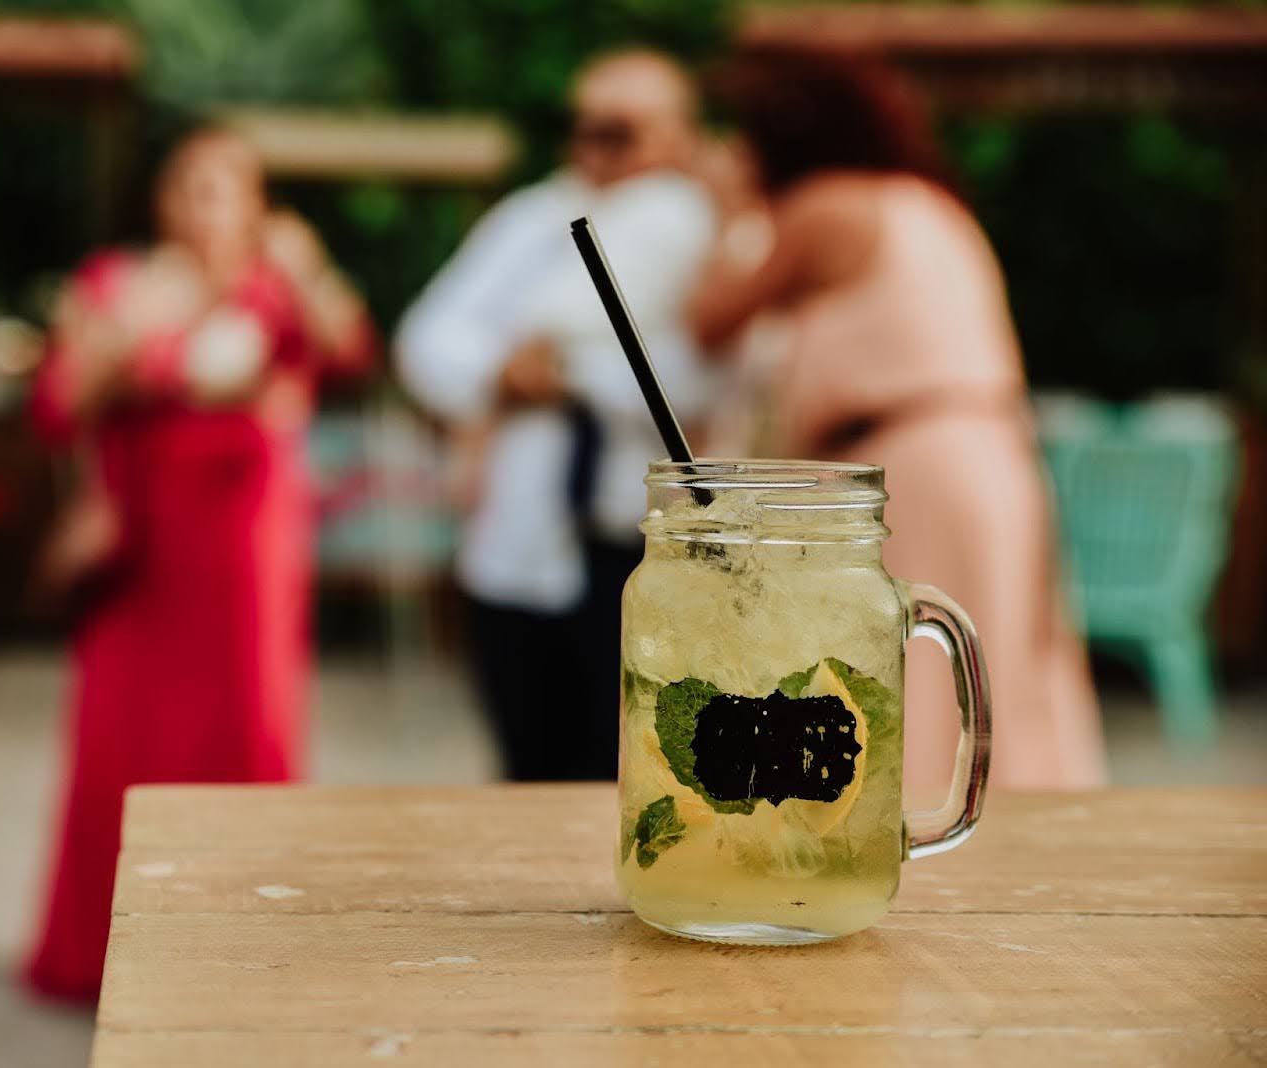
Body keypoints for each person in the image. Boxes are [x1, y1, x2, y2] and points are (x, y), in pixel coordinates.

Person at [693, 47, 1104, 789]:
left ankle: (915, 822)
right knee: (995, 661)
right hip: (994, 451)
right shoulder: (932, 204)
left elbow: (709, 319)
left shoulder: (826, 208)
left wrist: (730, 209)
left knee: (906, 661)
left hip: (913, 459)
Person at [26, 128, 373, 1002]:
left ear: (255, 203)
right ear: (162, 199)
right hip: (143, 536)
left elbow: (351, 353)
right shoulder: (118, 282)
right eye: (189, 186)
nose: (205, 205)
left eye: (226, 188)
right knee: (122, 735)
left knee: (248, 723)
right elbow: (59, 405)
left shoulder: (275, 287)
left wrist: (309, 271)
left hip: (245, 538)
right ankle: (98, 950)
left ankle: (249, 942)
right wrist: (131, 332)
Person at [397, 50, 716, 782]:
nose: (594, 146)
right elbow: (427, 340)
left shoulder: (686, 218)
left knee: (633, 767)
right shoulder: (533, 215)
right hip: (517, 542)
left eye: (620, 131)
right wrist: (503, 374)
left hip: (637, 544)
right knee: (523, 765)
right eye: (585, 127)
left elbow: (695, 378)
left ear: (677, 136)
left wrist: (564, 370)